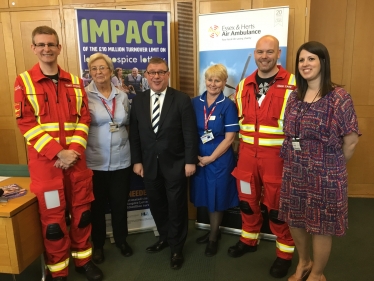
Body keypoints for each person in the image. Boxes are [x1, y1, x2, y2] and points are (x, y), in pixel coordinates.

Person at [13, 26, 103, 281]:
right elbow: (25, 124)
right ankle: (58, 270)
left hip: (75, 163)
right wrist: (57, 154)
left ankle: (83, 261)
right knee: (53, 222)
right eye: (41, 45)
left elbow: (84, 118)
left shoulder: (75, 81)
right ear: (34, 48)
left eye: (51, 44)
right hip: (47, 167)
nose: (46, 49)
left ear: (59, 47)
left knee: (82, 214)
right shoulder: (24, 82)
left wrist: (72, 152)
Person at [278, 41, 360, 281]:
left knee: (321, 227)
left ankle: (317, 273)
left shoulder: (339, 98)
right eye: (302, 60)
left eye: (311, 59)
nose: (305, 64)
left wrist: (329, 167)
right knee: (295, 221)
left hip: (326, 175)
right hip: (294, 170)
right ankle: (304, 262)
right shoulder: (294, 96)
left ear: (323, 62)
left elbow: (351, 141)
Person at [229, 35, 296, 279]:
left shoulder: (294, 84)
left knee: (277, 207)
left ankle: (285, 253)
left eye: (269, 52)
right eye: (260, 52)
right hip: (246, 155)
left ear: (279, 54)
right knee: (247, 200)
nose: (264, 56)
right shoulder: (244, 85)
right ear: (254, 54)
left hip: (277, 158)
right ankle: (249, 239)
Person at [129, 57, 198, 270]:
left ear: (167, 74)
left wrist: (190, 161)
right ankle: (165, 238)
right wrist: (137, 161)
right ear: (146, 75)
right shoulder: (138, 100)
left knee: (177, 207)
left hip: (176, 164)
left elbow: (189, 133)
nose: (156, 76)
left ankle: (177, 248)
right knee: (157, 205)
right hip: (148, 165)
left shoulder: (181, 99)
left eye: (161, 72)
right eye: (152, 72)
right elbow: (135, 134)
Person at [84, 53, 132, 265]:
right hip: (96, 160)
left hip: (122, 159)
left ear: (110, 71)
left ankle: (122, 240)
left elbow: (127, 122)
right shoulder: (84, 96)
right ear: (90, 73)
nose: (98, 72)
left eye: (102, 68)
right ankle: (98, 245)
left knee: (120, 204)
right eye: (94, 69)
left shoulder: (121, 96)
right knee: (97, 207)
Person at [190, 64, 239, 257]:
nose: (213, 84)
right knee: (204, 194)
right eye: (210, 79)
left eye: (217, 80)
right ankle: (213, 231)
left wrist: (210, 158)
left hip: (218, 159)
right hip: (198, 157)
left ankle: (213, 237)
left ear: (224, 82)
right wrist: (194, 155)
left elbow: (230, 138)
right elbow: (188, 131)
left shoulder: (227, 105)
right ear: (205, 80)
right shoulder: (195, 102)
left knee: (217, 197)